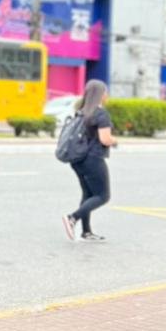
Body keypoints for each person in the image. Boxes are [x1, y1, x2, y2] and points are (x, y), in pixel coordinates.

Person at [62, 79, 116, 242]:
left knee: (88, 194)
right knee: (103, 196)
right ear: (101, 95)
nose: (107, 95)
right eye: (105, 92)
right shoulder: (100, 114)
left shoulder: (80, 112)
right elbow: (105, 139)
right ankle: (72, 218)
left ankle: (86, 232)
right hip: (93, 159)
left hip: (77, 159)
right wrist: (114, 140)